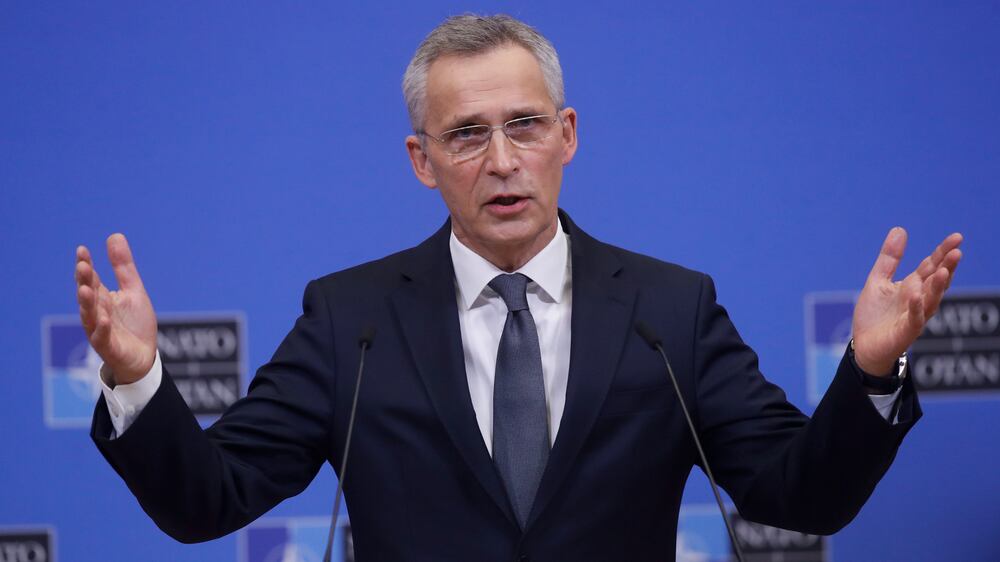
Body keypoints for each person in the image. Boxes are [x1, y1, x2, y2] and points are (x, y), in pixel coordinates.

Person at [75, 14, 962, 562]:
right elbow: (209, 500)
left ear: (567, 136)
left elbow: (799, 493)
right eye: (466, 135)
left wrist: (871, 371)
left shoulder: (669, 309)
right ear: (422, 161)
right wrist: (140, 378)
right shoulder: (351, 319)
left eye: (524, 125)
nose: (501, 162)